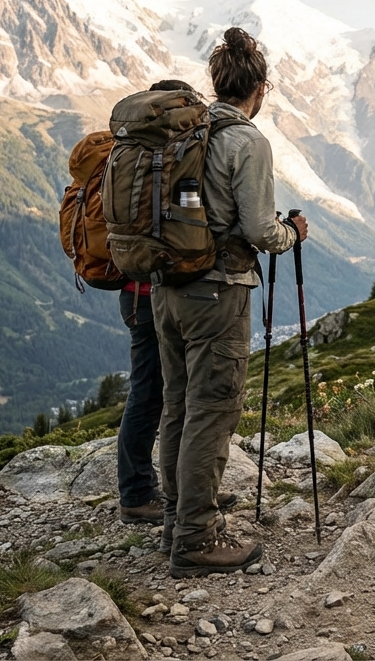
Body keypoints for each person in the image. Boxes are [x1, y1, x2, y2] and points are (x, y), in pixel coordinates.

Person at [154, 28, 308, 578]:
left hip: (165, 289)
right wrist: (294, 233)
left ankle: (175, 521)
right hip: (217, 291)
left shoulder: (184, 133)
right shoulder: (247, 142)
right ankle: (195, 538)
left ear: (217, 83)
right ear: (260, 89)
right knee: (212, 412)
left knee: (177, 406)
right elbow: (261, 231)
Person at [118, 80, 237, 527]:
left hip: (139, 288)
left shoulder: (138, 153)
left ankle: (178, 497)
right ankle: (141, 495)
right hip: (165, 290)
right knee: (158, 397)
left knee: (167, 397)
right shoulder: (174, 156)